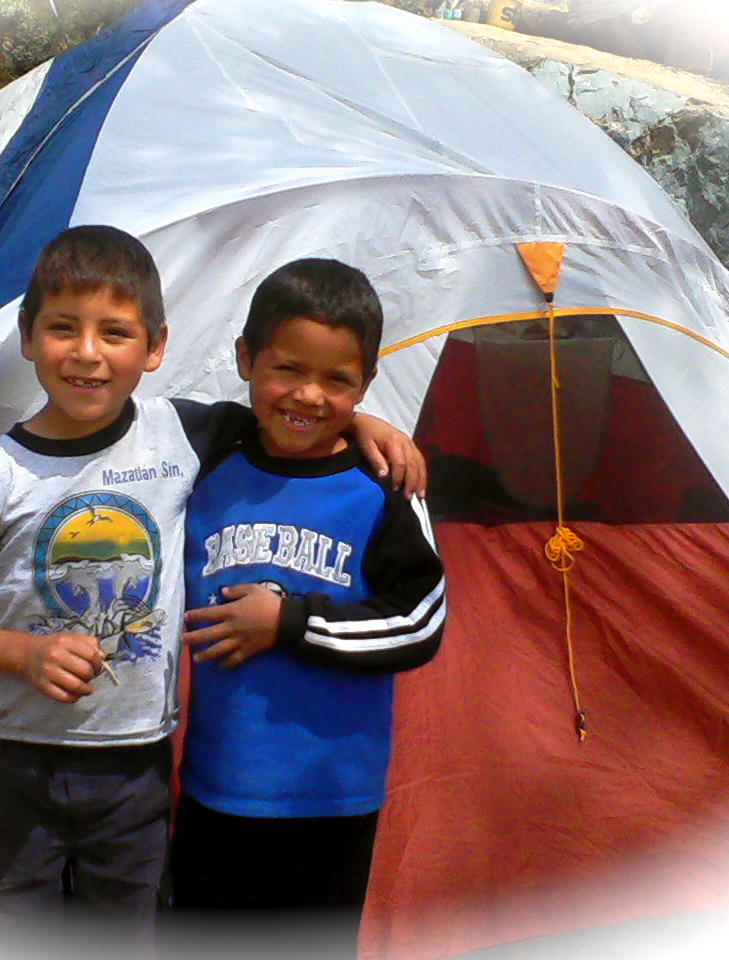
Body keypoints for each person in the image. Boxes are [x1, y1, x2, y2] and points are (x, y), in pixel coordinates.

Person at [0, 226, 424, 960]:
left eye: (115, 333)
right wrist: (22, 654)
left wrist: (368, 421)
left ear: (154, 347)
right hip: (13, 756)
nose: (88, 353)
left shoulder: (181, 434)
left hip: (136, 760)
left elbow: (296, 412)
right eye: (63, 328)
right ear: (27, 337)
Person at [167, 258, 447, 960]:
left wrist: (289, 623)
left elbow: (420, 621)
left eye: (338, 381)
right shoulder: (206, 451)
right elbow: (102, 431)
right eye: (287, 369)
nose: (308, 395)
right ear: (245, 360)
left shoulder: (383, 486)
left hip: (330, 801)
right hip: (215, 785)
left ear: (367, 383)